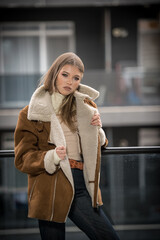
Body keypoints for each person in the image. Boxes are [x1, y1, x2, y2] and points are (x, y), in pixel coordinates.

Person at [14, 52, 120, 240]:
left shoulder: (85, 107)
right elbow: (23, 159)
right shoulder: (30, 113)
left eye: (76, 78)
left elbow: (100, 144)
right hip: (49, 184)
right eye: (65, 74)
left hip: (81, 184)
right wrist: (51, 156)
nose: (70, 81)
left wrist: (97, 129)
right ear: (54, 73)